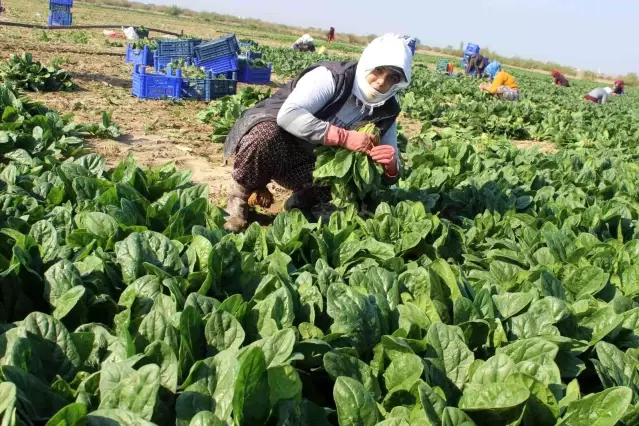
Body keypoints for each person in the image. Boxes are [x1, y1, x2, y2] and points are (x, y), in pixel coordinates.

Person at [222, 34, 412, 232]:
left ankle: (301, 203)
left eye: (393, 77)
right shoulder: (332, 76)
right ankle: (239, 203)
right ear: (367, 64)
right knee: (264, 134)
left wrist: (391, 167)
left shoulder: (387, 110)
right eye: (378, 70)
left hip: (311, 165)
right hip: (280, 145)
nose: (382, 81)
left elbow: (392, 172)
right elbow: (288, 115)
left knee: (350, 167)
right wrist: (345, 137)